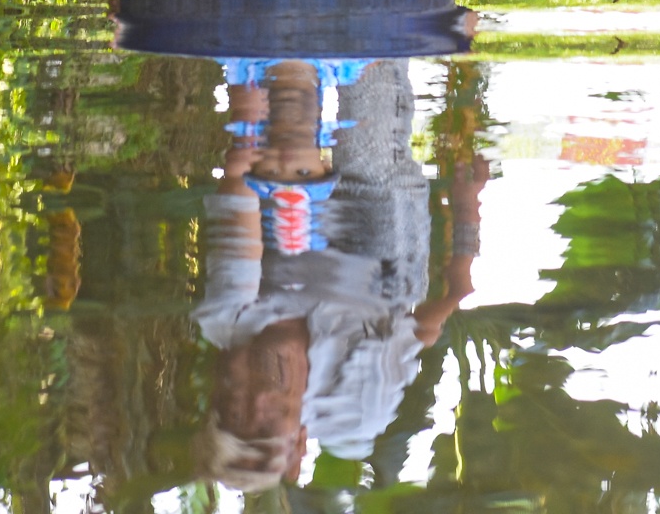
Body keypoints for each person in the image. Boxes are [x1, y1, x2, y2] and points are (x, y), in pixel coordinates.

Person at [193, 57, 487, 489]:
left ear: (215, 396)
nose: (258, 397)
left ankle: (292, 57)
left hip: (293, 223)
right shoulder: (355, 411)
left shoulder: (225, 317)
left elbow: (243, 161)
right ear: (299, 441)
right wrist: (466, 209)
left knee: (281, 147)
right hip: (377, 262)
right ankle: (380, 46)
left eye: (235, 412)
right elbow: (448, 301)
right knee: (370, 140)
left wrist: (248, 61)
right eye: (271, 418)